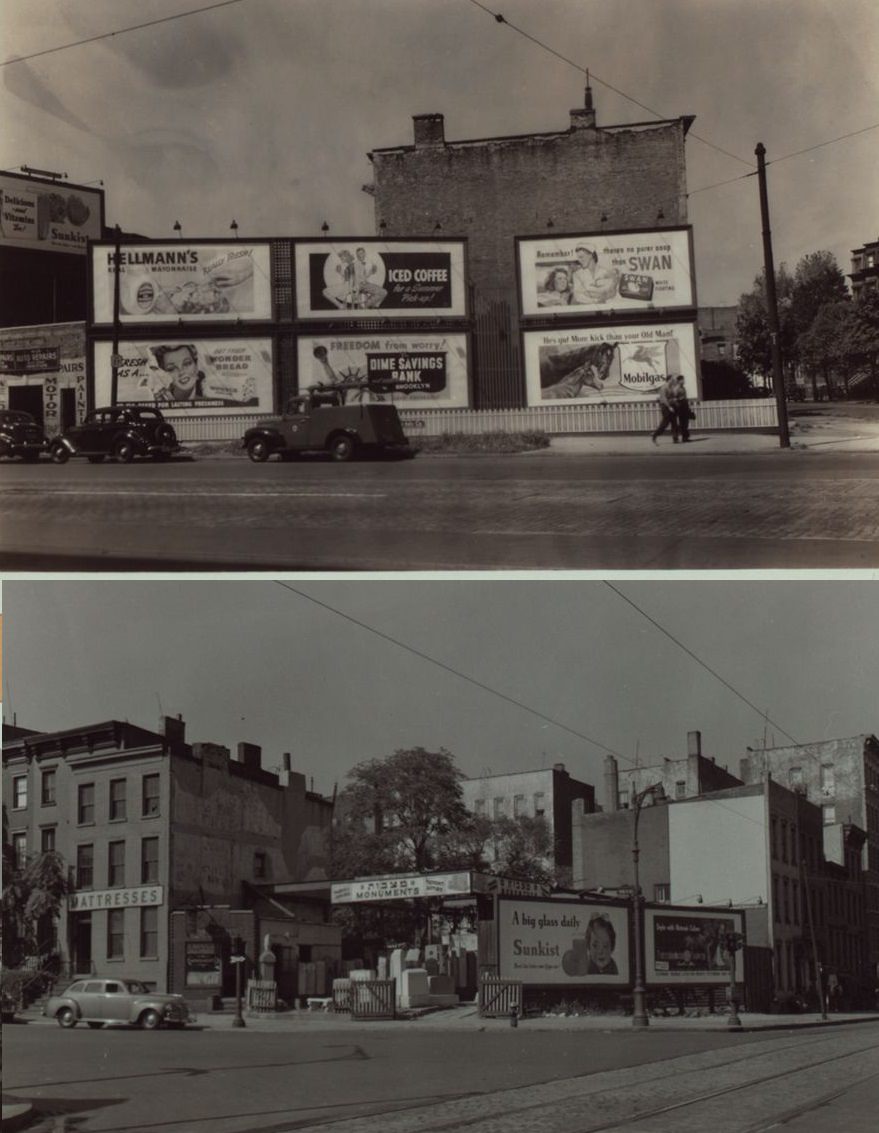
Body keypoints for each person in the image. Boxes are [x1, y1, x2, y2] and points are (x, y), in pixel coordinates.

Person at [651, 374, 680, 443]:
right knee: (665, 423)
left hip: (672, 406)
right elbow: (664, 398)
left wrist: (675, 402)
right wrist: (669, 407)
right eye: (672, 379)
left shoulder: (671, 387)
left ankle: (675, 438)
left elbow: (672, 397)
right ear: (669, 380)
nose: (674, 381)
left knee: (674, 422)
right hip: (665, 407)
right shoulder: (664, 387)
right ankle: (655, 434)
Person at [673, 375, 693, 442]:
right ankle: (683, 437)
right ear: (679, 381)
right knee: (682, 422)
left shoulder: (683, 388)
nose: (684, 381)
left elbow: (685, 397)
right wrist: (678, 406)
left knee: (686, 422)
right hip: (680, 405)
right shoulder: (676, 388)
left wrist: (688, 406)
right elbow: (675, 398)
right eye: (682, 380)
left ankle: (685, 437)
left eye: (684, 380)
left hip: (685, 404)